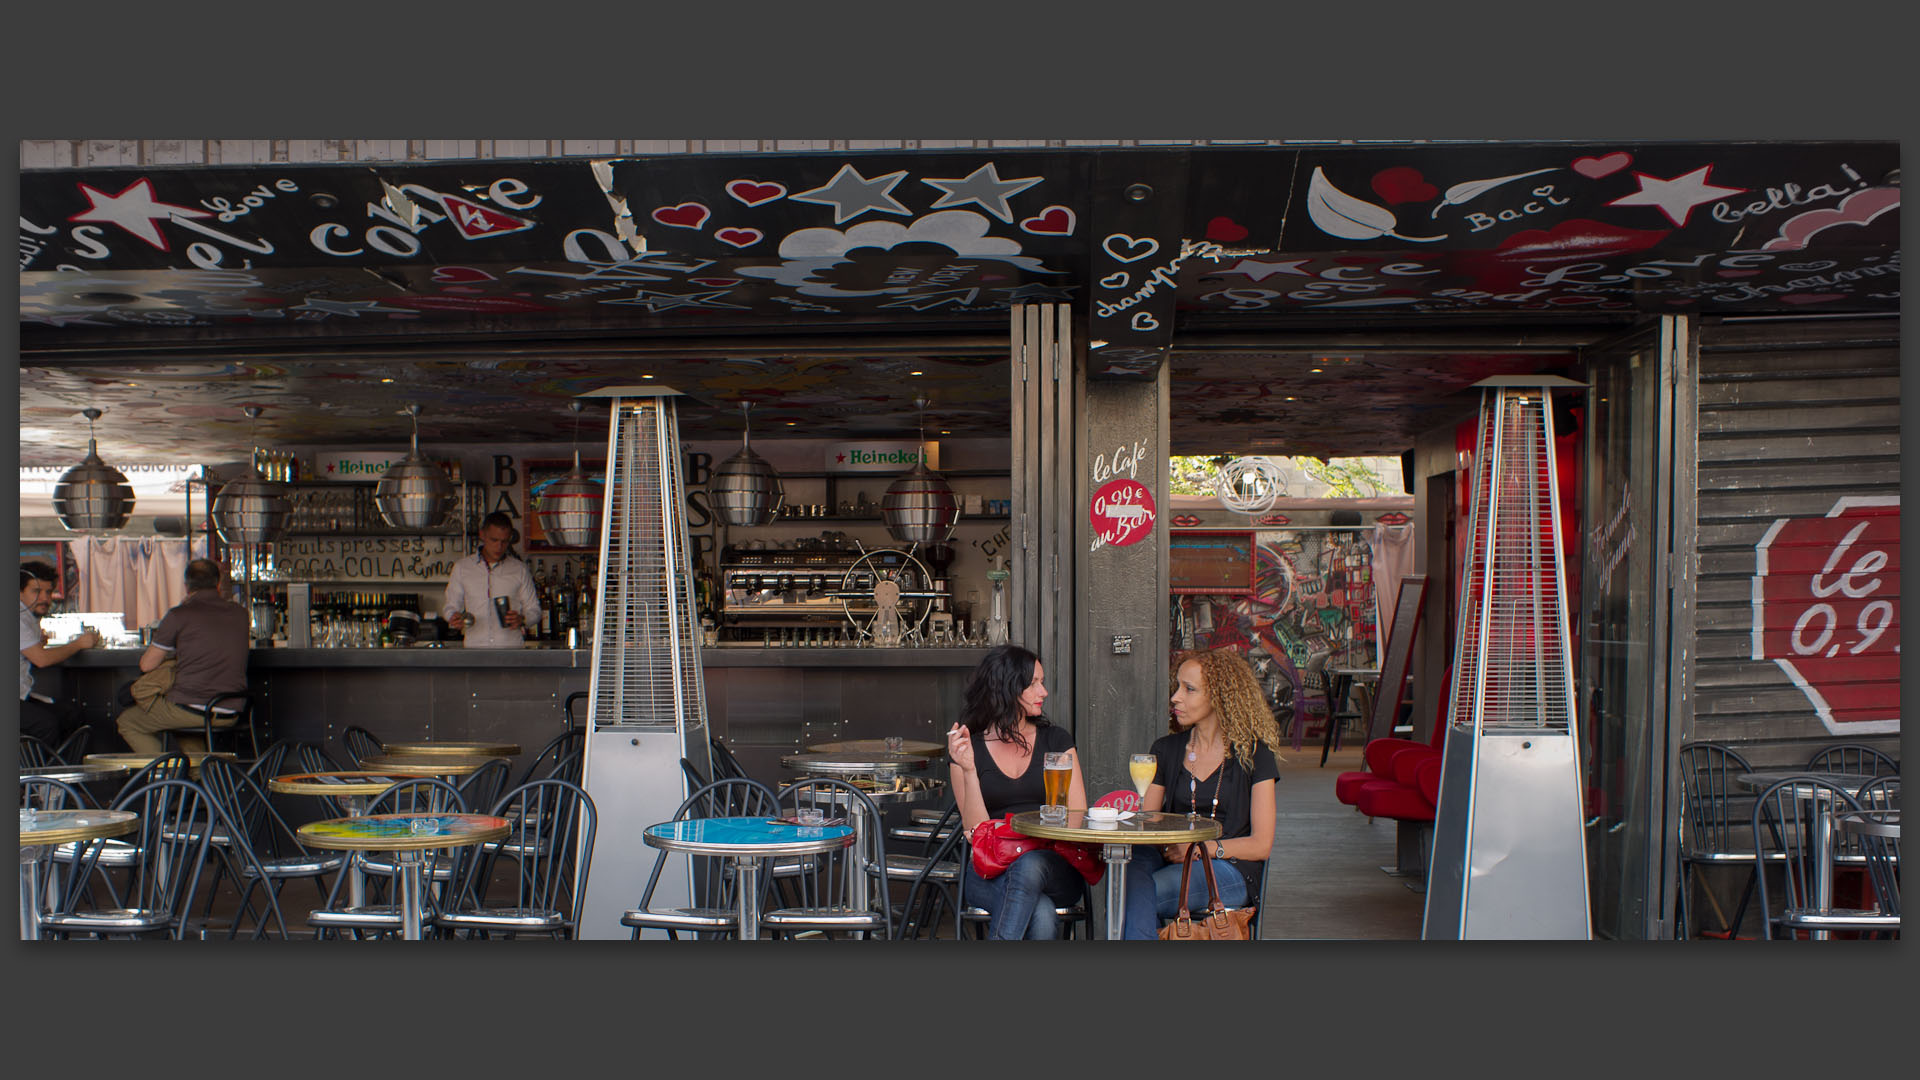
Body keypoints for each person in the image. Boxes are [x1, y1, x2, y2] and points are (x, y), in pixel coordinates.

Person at [1122, 648, 1281, 939]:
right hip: (1170, 855)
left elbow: (1261, 845)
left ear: (1219, 696)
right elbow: (1148, 825)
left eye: (1189, 689)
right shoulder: (1166, 749)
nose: (1175, 697)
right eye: (1177, 687)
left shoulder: (1255, 754)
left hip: (1228, 867)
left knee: (1140, 893)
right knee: (1129, 869)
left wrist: (1199, 850)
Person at [946, 643, 1088, 939]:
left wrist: (1033, 837)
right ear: (1008, 687)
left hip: (1053, 865)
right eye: (1034, 683)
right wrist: (969, 770)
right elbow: (977, 831)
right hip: (990, 870)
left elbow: (1077, 815)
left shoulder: (1056, 740)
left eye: (1042, 681)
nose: (1044, 692)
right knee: (1042, 913)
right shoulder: (967, 747)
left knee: (1030, 864)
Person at [114, 558, 250, 755]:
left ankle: (167, 777)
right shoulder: (241, 614)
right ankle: (197, 777)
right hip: (232, 709)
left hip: (193, 708)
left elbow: (147, 665)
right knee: (179, 721)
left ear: (186, 586)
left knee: (128, 722)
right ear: (218, 583)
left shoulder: (179, 615)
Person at [19, 561, 100, 746]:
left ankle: (68, 771)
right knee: (46, 725)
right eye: (36, 591)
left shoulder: (26, 617)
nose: (44, 598)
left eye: (48, 592)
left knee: (70, 715)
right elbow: (42, 659)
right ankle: (40, 773)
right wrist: (79, 643)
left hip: (22, 695)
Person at [443, 512, 542, 649]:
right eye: (494, 540)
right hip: (475, 649)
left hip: (510, 650)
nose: (499, 547)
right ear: (482, 535)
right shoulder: (462, 568)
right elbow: (450, 606)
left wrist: (522, 619)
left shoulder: (519, 569)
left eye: (504, 541)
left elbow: (534, 610)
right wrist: (453, 617)